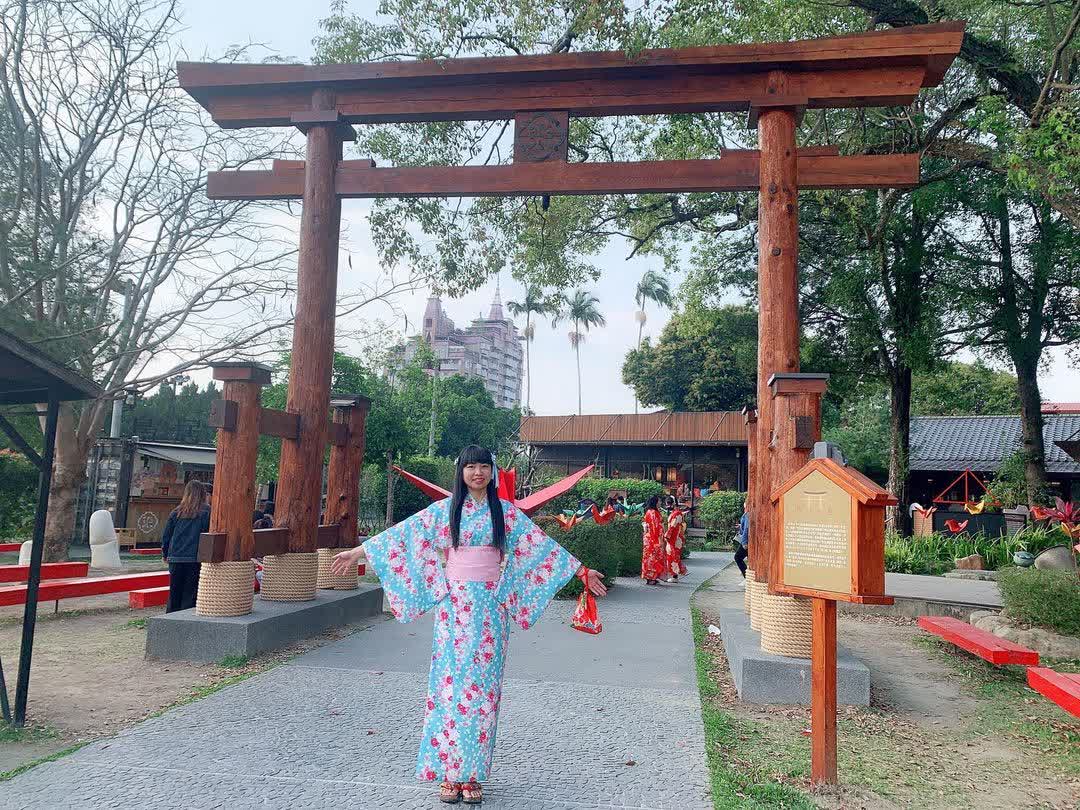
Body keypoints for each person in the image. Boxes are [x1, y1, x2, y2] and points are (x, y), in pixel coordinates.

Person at [330, 445, 607, 805]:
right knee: (450, 689)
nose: (478, 473)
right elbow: (405, 534)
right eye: (470, 466)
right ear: (461, 472)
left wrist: (582, 571)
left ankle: (472, 774)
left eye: (483, 467)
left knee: (483, 693)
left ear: (492, 473)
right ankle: (449, 773)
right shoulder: (447, 511)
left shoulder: (505, 513)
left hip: (491, 610)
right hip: (454, 610)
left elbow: (542, 548)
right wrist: (358, 552)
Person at [160, 480, 211, 613]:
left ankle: (170, 621)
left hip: (175, 557)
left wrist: (165, 554)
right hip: (195, 558)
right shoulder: (206, 512)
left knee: (174, 593)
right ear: (203, 494)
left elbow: (166, 536)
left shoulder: (176, 512)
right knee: (191, 593)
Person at [640, 495, 666, 585]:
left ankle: (650, 577)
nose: (660, 503)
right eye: (659, 501)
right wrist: (660, 540)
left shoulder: (649, 512)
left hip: (648, 538)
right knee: (653, 558)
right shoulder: (654, 513)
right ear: (655, 502)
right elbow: (656, 527)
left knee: (648, 558)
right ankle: (652, 578)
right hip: (654, 538)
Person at [664, 497, 687, 582]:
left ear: (673, 503)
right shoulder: (677, 513)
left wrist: (667, 535)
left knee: (673, 556)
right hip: (675, 537)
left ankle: (675, 576)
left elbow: (673, 526)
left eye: (669, 503)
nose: (667, 505)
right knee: (673, 556)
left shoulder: (676, 513)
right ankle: (674, 575)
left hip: (675, 538)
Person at [734, 509, 749, 578]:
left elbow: (746, 529)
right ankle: (748, 576)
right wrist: (740, 526)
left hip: (747, 541)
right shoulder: (747, 514)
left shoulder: (747, 515)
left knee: (737, 557)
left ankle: (747, 576)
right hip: (748, 540)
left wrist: (744, 542)